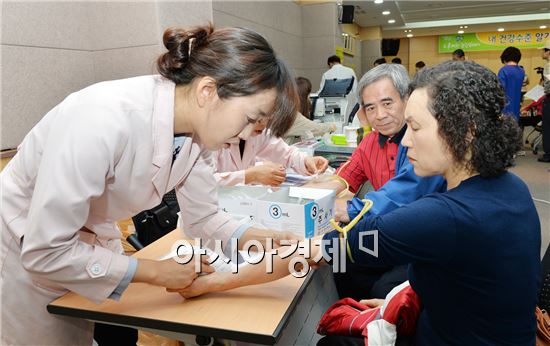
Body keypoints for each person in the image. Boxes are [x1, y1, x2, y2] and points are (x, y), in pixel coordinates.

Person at [177, 61, 540, 345]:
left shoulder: (441, 217)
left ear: (465, 131)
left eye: (415, 127)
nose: (406, 141)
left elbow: (313, 252)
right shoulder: (511, 189)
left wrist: (215, 282)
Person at [0, 24, 299, 345]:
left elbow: (204, 218)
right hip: (24, 240)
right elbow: (45, 250)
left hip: (87, 237)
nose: (246, 134)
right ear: (208, 91)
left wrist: (262, 237)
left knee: (103, 330)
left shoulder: (200, 137)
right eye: (251, 119)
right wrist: (156, 271)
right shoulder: (100, 118)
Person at [306, 64, 445, 300]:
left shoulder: (425, 142)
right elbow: (344, 177)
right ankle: (353, 318)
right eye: (370, 107)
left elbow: (401, 196)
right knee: (341, 260)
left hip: (420, 239)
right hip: (386, 232)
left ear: (406, 99)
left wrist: (347, 209)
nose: (379, 115)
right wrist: (303, 197)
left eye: (387, 103)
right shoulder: (370, 142)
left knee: (384, 286)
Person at [213, 117, 329, 187]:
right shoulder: (209, 135)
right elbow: (202, 183)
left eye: (267, 115)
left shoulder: (259, 133)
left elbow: (286, 153)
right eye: (259, 115)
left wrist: (305, 161)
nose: (264, 122)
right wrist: (251, 175)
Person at [284, 77, 336, 144]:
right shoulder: (292, 116)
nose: (309, 99)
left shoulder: (284, 112)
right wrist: (332, 126)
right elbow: (317, 128)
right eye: (308, 95)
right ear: (302, 97)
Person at [498, 46, 525, 122]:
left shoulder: (503, 70)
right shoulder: (521, 71)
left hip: (505, 108)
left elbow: (500, 91)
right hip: (516, 106)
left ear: (505, 58)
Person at [539, 40, 550, 162]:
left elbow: (548, 85)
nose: (542, 52)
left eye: (543, 50)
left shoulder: (548, 66)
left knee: (547, 126)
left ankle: (548, 154)